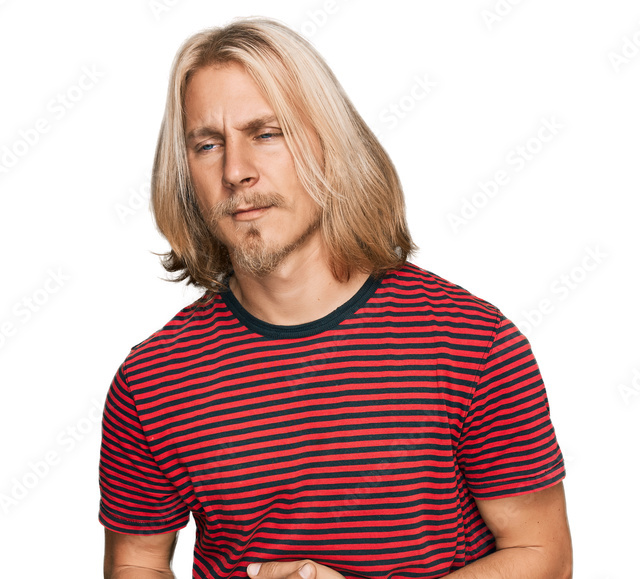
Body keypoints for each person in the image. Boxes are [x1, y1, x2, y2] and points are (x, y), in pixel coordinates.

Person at [98, 16, 572, 579]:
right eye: (208, 145)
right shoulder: (151, 379)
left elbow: (543, 557)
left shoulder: (470, 342)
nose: (236, 171)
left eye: (266, 133)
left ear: (330, 145)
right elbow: (137, 563)